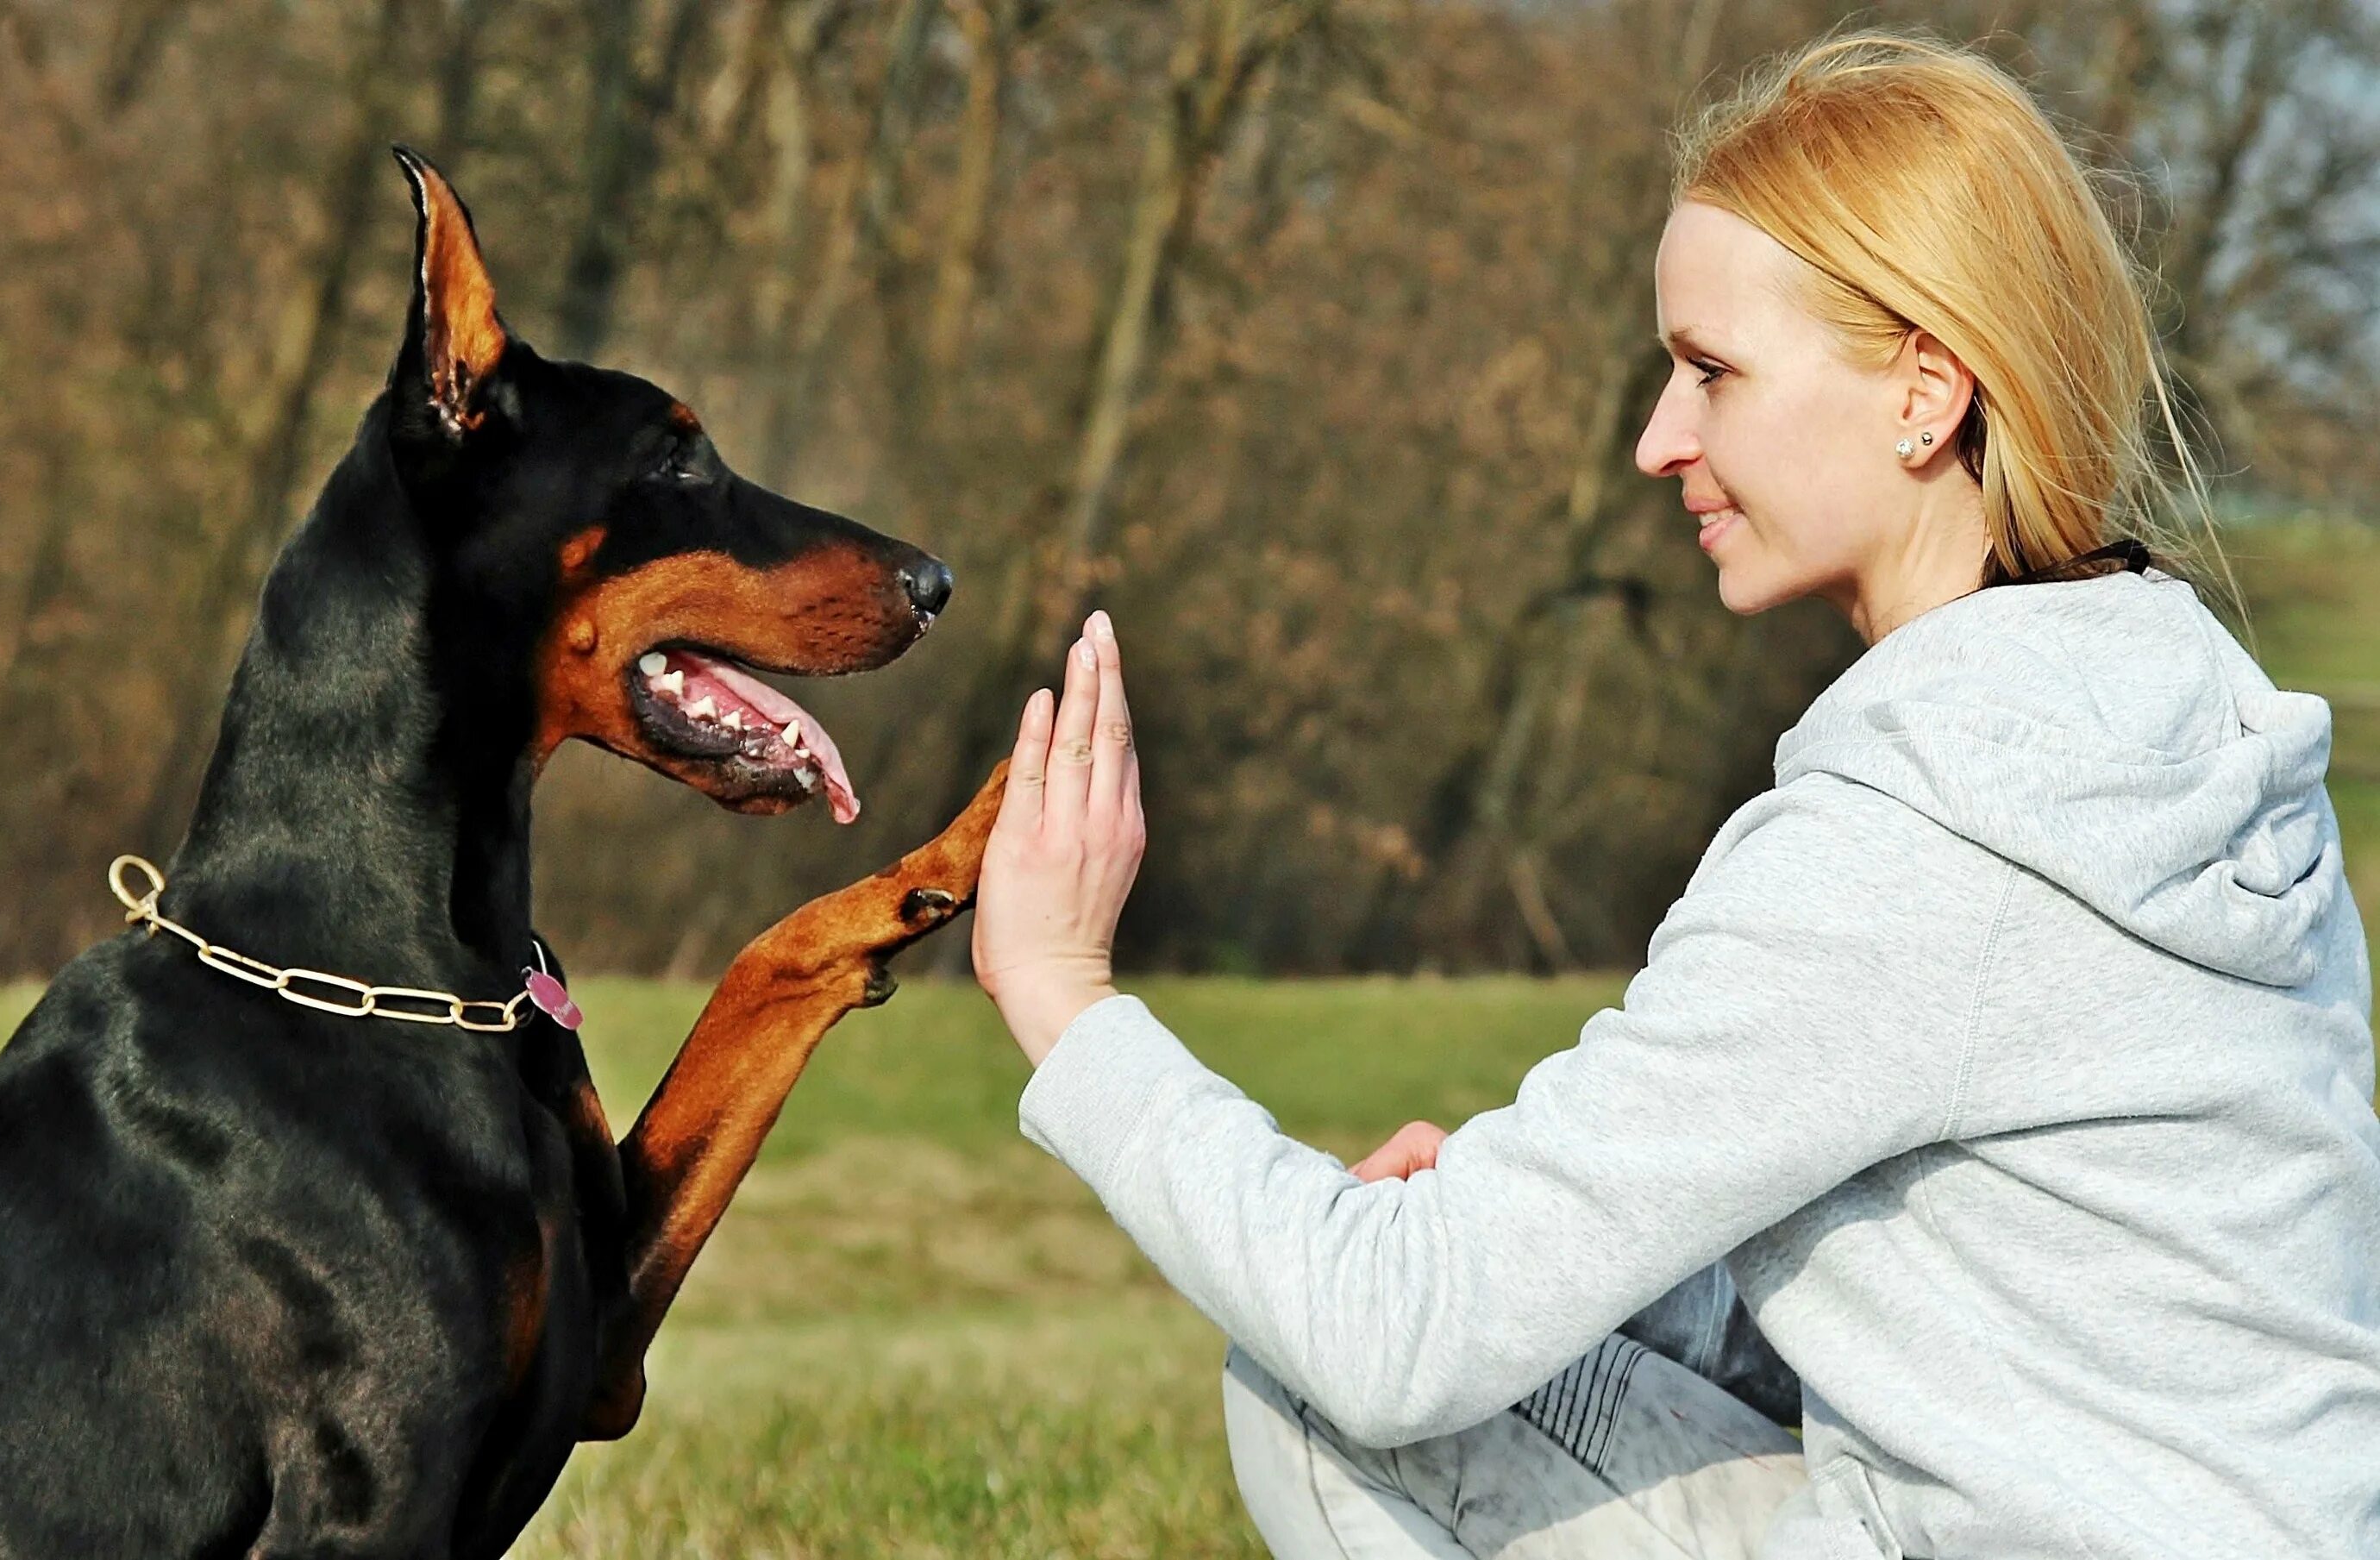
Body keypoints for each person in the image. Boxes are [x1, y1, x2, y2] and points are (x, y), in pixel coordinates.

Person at [967, 31, 2380, 1560]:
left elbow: (1391, 1336)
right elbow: (2035, 1307)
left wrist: (1063, 991)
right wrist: (1580, 1256)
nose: (1659, 439)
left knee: (1324, 1393)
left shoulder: (1910, 839)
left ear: (1924, 390)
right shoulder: (2202, 749)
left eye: (1713, 370)